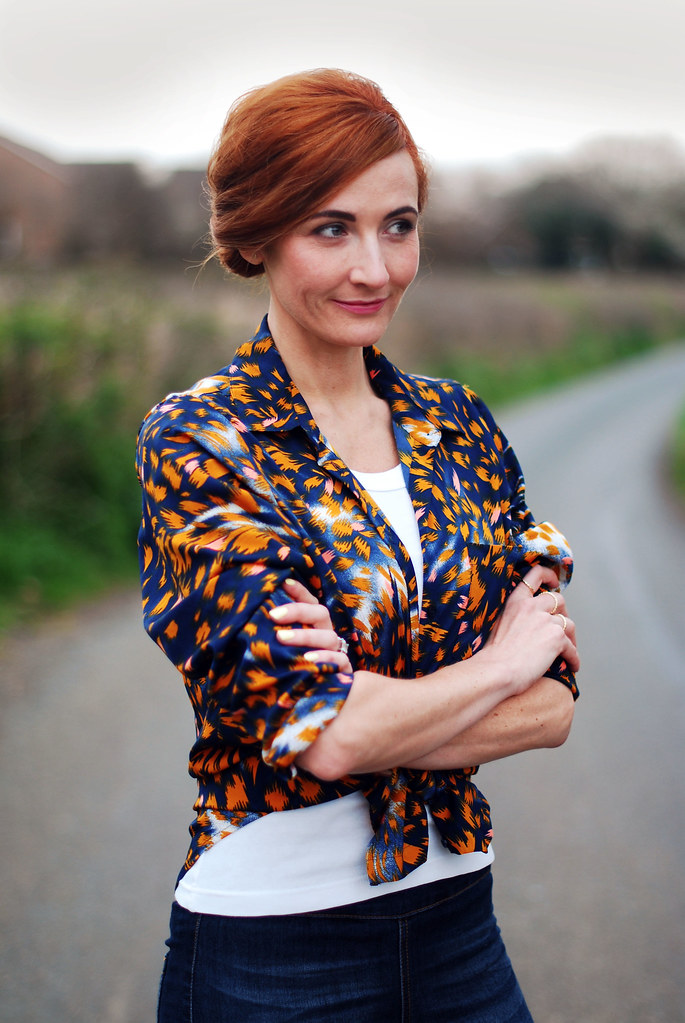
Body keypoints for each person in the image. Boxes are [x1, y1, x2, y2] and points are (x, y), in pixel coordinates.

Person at [137, 68, 579, 1023]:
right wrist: (496, 661)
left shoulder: (458, 423)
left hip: (462, 925)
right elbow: (326, 733)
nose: (374, 268)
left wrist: (373, 713)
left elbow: (552, 708)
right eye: (329, 227)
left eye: (398, 224)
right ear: (256, 234)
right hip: (272, 946)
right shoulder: (203, 439)